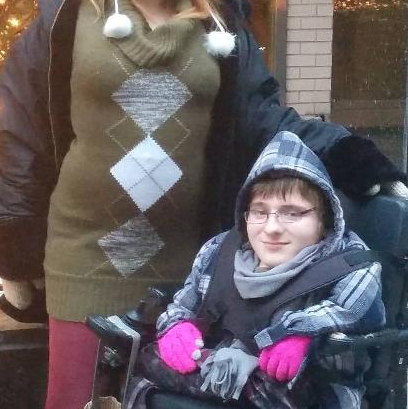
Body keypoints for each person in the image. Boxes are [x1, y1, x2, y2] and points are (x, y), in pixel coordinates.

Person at [0, 0, 404, 409]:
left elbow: (265, 118)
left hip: (193, 275)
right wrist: (14, 246)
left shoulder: (223, 23)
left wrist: (354, 158)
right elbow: (19, 136)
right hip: (84, 260)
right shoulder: (65, 16)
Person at [133, 131, 385, 409]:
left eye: (292, 213)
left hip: (303, 388)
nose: (272, 228)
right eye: (260, 212)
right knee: (146, 355)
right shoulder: (218, 250)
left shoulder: (353, 263)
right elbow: (184, 305)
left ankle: (225, 378)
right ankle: (225, 378)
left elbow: (347, 310)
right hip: (226, 366)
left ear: (324, 218)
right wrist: (176, 326)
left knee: (281, 386)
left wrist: (300, 333)